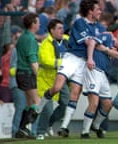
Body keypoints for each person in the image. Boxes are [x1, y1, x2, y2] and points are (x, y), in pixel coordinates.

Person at [37, 0, 107, 138]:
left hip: (83, 63)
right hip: (72, 58)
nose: (100, 11)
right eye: (98, 9)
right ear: (90, 11)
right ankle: (37, 111)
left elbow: (101, 44)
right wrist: (100, 45)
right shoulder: (80, 23)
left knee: (74, 94)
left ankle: (64, 127)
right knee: (57, 87)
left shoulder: (99, 26)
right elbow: (89, 42)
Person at [36, 19, 70, 140]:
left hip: (61, 78)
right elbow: (46, 61)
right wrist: (65, 63)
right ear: (52, 30)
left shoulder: (67, 39)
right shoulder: (46, 44)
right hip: (47, 80)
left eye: (62, 28)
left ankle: (49, 124)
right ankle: (40, 132)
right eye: (59, 28)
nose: (62, 30)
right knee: (47, 108)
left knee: (66, 103)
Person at [14, 12, 40, 139]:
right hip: (27, 73)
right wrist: (39, 76)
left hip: (20, 73)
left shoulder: (23, 37)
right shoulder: (30, 39)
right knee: (36, 102)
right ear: (33, 24)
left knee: (29, 103)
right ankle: (24, 127)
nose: (39, 24)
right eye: (38, 21)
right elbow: (32, 60)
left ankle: (22, 129)